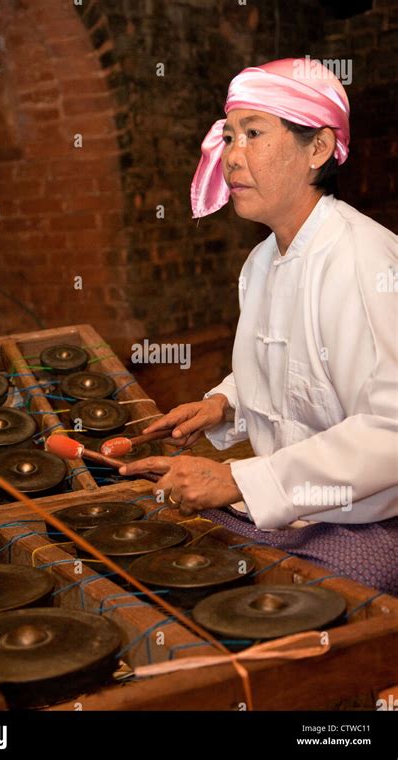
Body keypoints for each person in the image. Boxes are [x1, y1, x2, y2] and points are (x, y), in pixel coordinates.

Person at [119, 58, 398, 593]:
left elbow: (388, 431)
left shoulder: (366, 264)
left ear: (317, 148)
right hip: (293, 514)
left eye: (253, 134)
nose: (230, 157)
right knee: (162, 543)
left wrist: (235, 477)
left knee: (244, 597)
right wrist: (226, 402)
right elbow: (299, 373)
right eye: (228, 136)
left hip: (371, 521)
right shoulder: (263, 263)